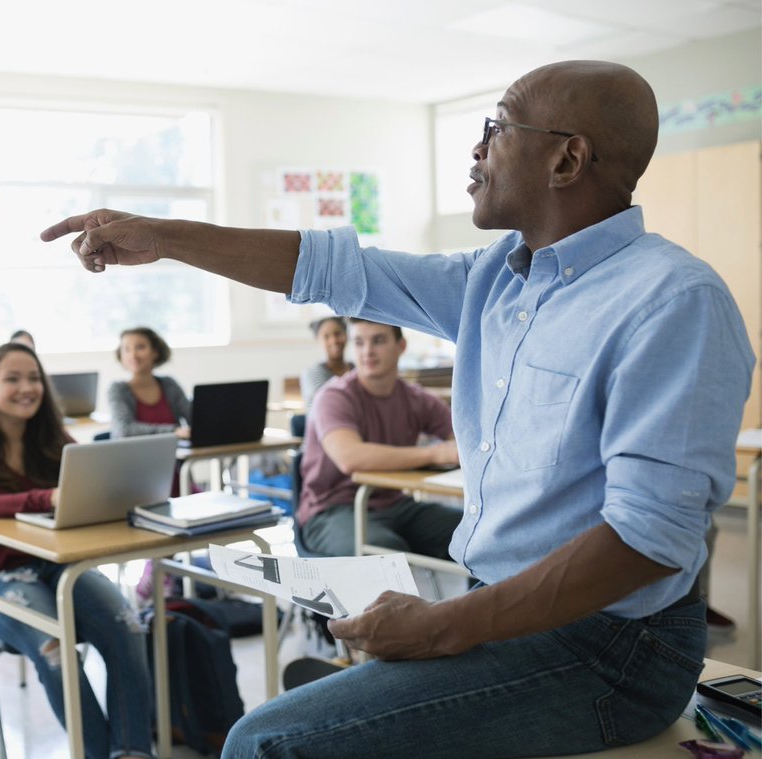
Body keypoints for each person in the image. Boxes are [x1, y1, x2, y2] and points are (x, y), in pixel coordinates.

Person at [40, 60, 755, 758]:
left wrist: (446, 627)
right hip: (511, 609)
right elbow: (328, 268)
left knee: (262, 741)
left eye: (497, 127)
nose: (476, 148)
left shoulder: (673, 301)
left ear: (567, 160)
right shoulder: (496, 280)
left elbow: (646, 539)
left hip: (612, 650)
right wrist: (163, 237)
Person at [0, 343, 153, 759]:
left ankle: (131, 752)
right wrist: (45, 498)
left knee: (127, 626)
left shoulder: (56, 441)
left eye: (34, 378)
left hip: (60, 568)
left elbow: (87, 488)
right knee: (54, 649)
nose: (27, 387)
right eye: (13, 379)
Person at [299, 319, 460, 559]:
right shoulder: (333, 396)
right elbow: (349, 458)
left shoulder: (415, 398)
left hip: (395, 503)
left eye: (378, 341)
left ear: (401, 346)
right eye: (359, 342)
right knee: (385, 551)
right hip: (332, 510)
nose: (367, 351)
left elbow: (464, 439)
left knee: (476, 531)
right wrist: (435, 453)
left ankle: (477, 597)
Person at [107, 327, 190, 439]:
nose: (133, 355)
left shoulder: (169, 384)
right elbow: (125, 430)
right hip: (132, 455)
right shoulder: (118, 390)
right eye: (126, 349)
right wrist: (173, 431)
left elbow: (194, 417)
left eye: (140, 347)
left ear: (155, 352)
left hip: (172, 453)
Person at [299, 316, 353, 410]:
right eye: (326, 336)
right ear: (318, 340)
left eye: (338, 334)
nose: (334, 341)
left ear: (346, 335)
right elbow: (326, 405)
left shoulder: (357, 369)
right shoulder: (312, 373)